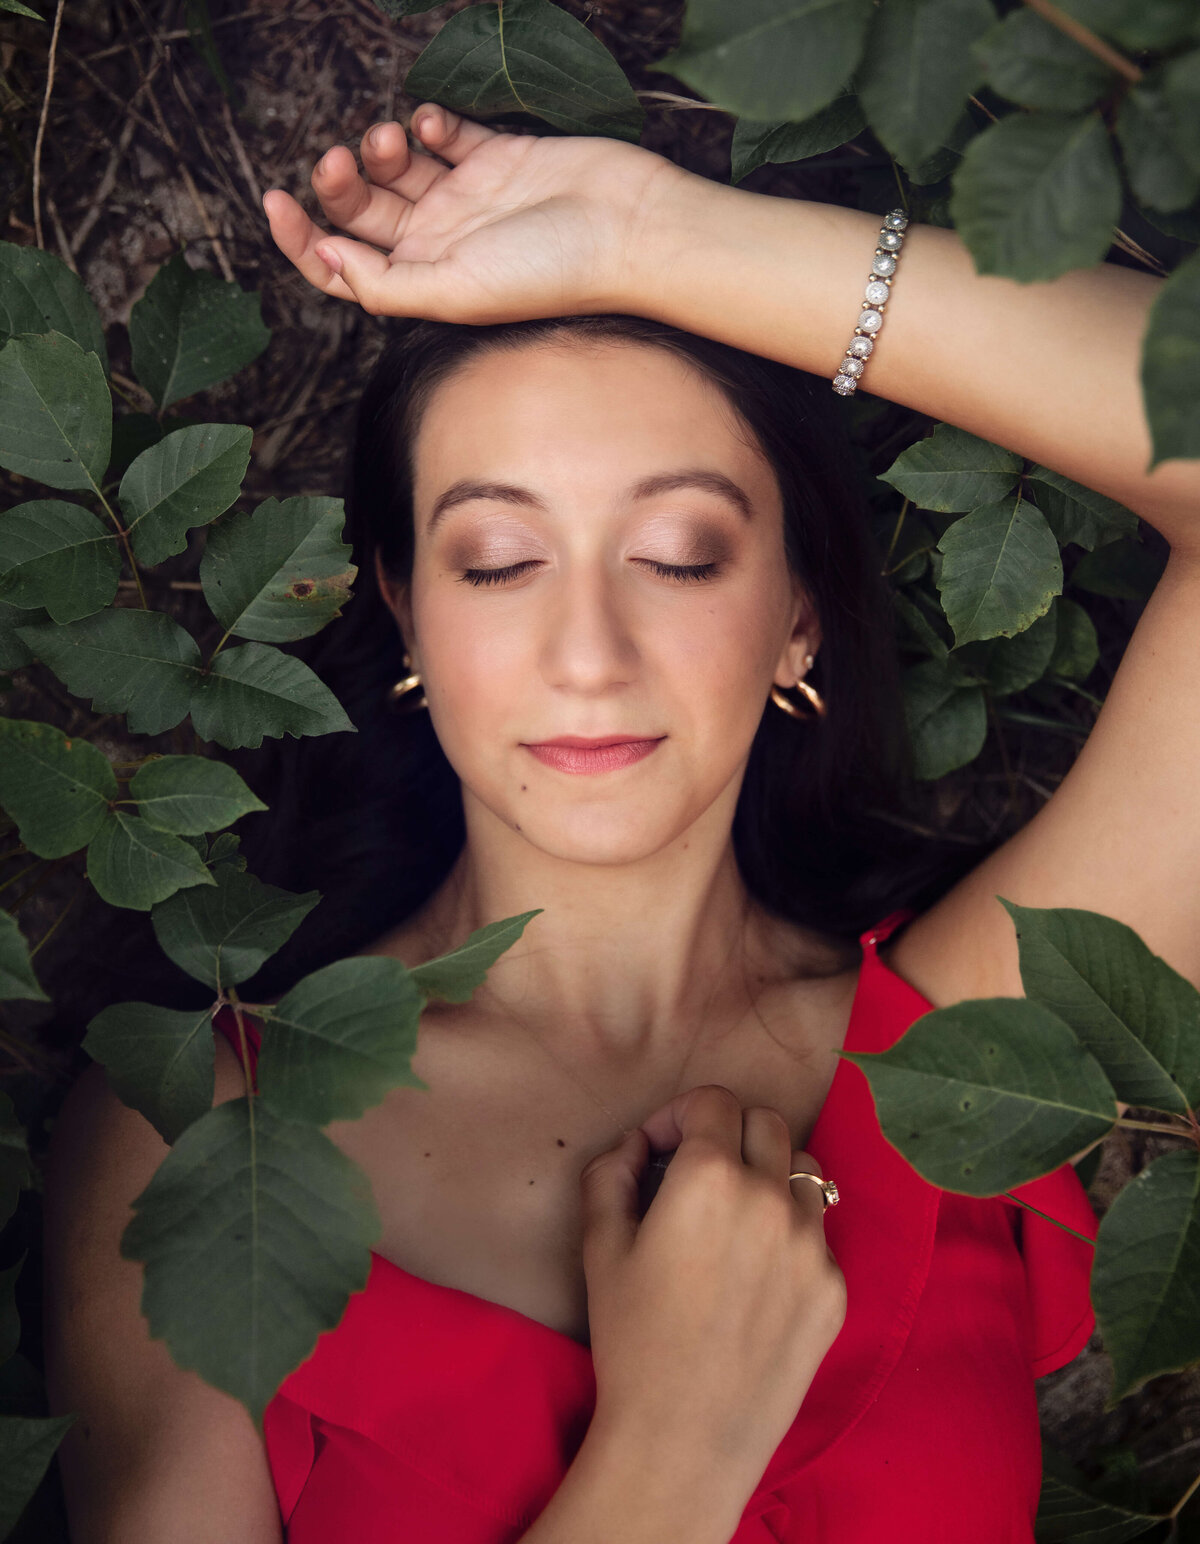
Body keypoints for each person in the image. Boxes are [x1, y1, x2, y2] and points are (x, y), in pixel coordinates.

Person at [41, 101, 1197, 1544]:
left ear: (798, 618)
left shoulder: (978, 1046)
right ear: (404, 607)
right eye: (501, 559)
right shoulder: (203, 1135)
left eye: (680, 553)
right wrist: (677, 1445)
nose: (588, 653)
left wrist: (660, 239)